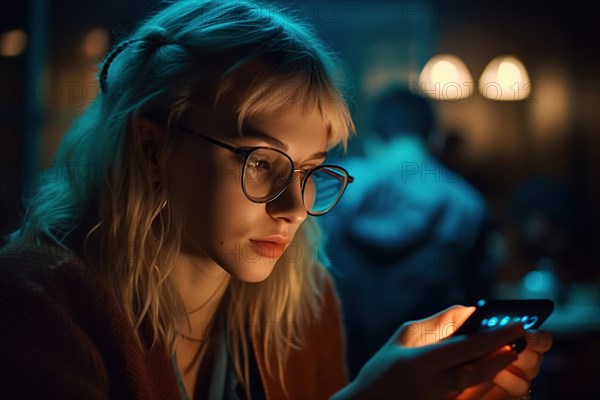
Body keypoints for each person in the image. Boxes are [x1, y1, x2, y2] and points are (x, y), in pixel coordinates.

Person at [0, 1, 551, 399]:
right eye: (262, 162)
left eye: (311, 170)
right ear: (153, 146)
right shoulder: (38, 307)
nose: (294, 207)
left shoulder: (305, 304)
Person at [319, 86, 502, 378]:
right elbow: (479, 296)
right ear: (435, 138)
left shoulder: (331, 191)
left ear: (372, 139)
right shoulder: (467, 204)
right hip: (436, 371)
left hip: (347, 374)